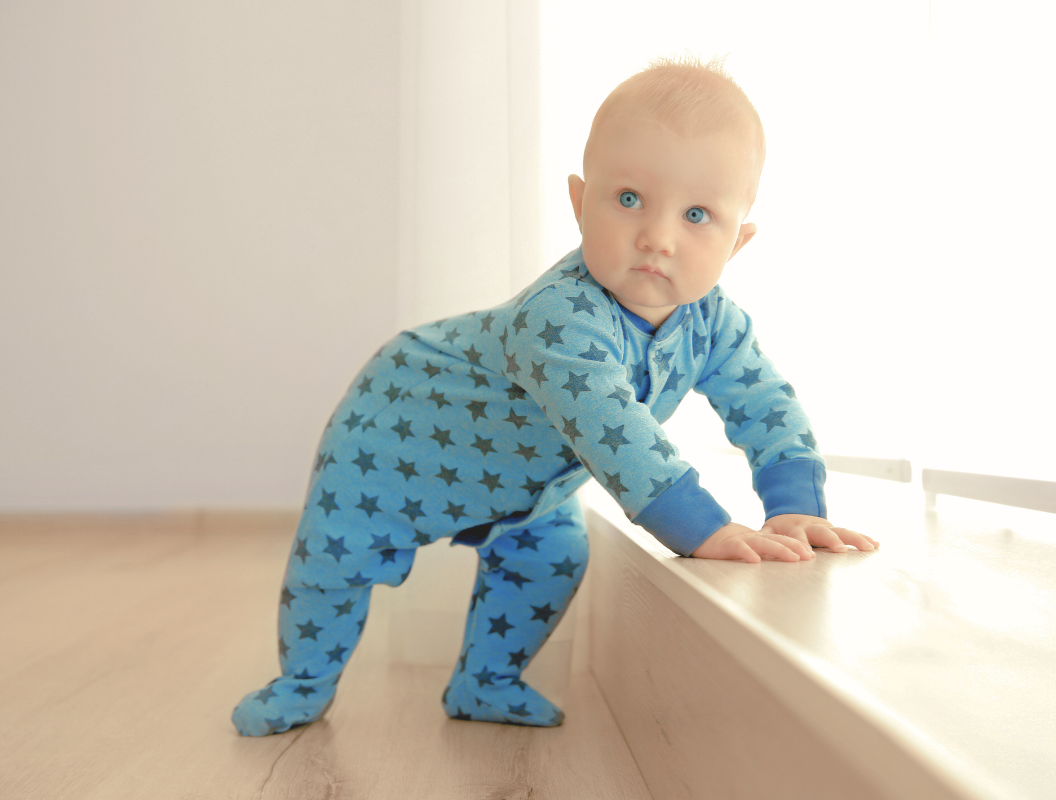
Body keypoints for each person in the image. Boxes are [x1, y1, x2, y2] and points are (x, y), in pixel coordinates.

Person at [232, 52, 878, 737]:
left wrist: (796, 507)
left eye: (696, 215)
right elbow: (617, 434)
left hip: (525, 481)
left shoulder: (713, 322)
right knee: (335, 559)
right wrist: (704, 529)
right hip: (398, 433)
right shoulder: (561, 318)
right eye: (629, 200)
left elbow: (765, 402)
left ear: (737, 242)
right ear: (580, 202)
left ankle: (486, 682)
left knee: (549, 558)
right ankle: (301, 683)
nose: (657, 237)